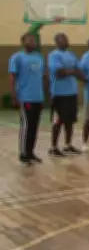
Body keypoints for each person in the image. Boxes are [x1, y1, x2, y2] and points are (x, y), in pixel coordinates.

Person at [9, 34, 45, 165]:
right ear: (23, 42)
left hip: (38, 97)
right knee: (26, 126)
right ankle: (23, 154)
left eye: (34, 40)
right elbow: (12, 77)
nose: (33, 42)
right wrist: (14, 96)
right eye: (30, 40)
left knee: (34, 126)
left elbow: (41, 76)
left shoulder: (39, 57)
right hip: (25, 97)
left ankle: (30, 152)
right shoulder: (17, 57)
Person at [47, 33, 83, 156]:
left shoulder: (71, 54)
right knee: (59, 120)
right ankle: (53, 147)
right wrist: (73, 71)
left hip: (72, 92)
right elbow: (59, 73)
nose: (65, 41)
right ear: (56, 42)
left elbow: (78, 70)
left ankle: (68, 145)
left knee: (70, 121)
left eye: (66, 39)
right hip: (59, 93)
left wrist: (76, 73)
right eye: (62, 40)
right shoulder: (54, 55)